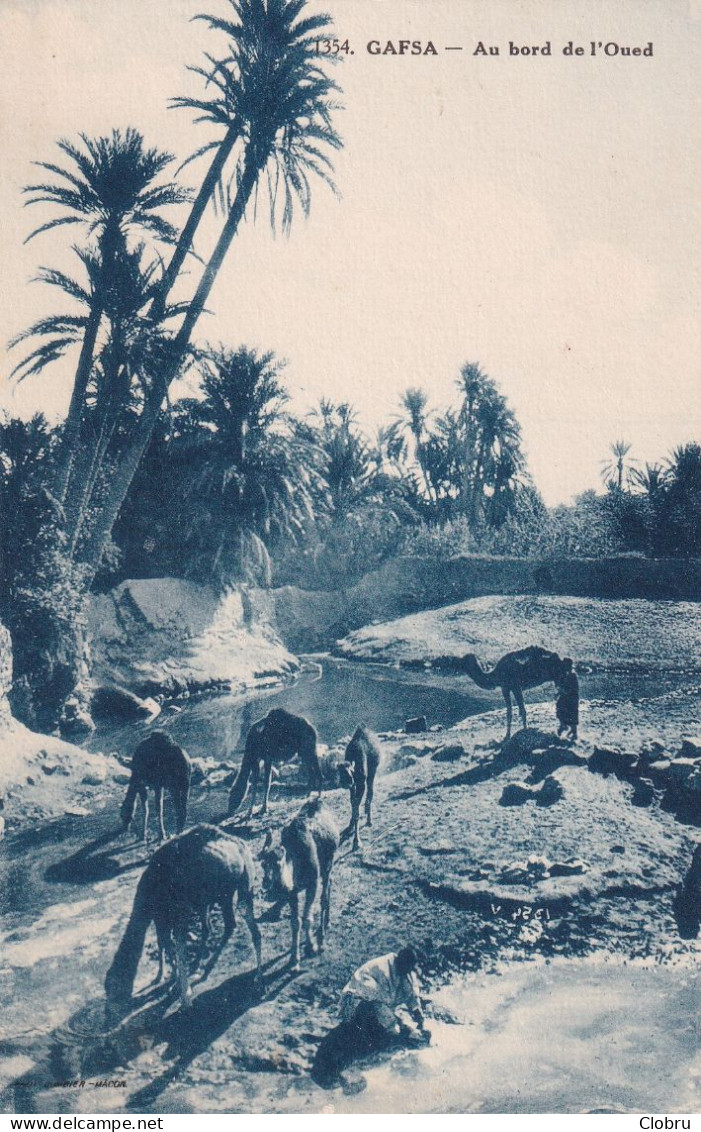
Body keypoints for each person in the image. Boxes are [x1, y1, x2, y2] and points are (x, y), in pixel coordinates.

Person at [340, 947, 427, 1044]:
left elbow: (410, 992)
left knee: (398, 1023)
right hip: (355, 1002)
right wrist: (401, 1030)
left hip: (379, 1001)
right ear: (402, 963)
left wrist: (417, 1013)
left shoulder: (404, 969)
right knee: (388, 1033)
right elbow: (381, 1005)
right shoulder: (382, 971)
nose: (409, 972)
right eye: (408, 968)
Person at [556, 658, 579, 740]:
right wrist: (559, 692)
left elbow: (575, 689)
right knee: (560, 710)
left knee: (572, 714)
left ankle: (574, 732)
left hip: (572, 698)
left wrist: (565, 691)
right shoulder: (565, 675)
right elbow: (560, 685)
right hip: (565, 697)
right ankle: (563, 725)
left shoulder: (573, 675)